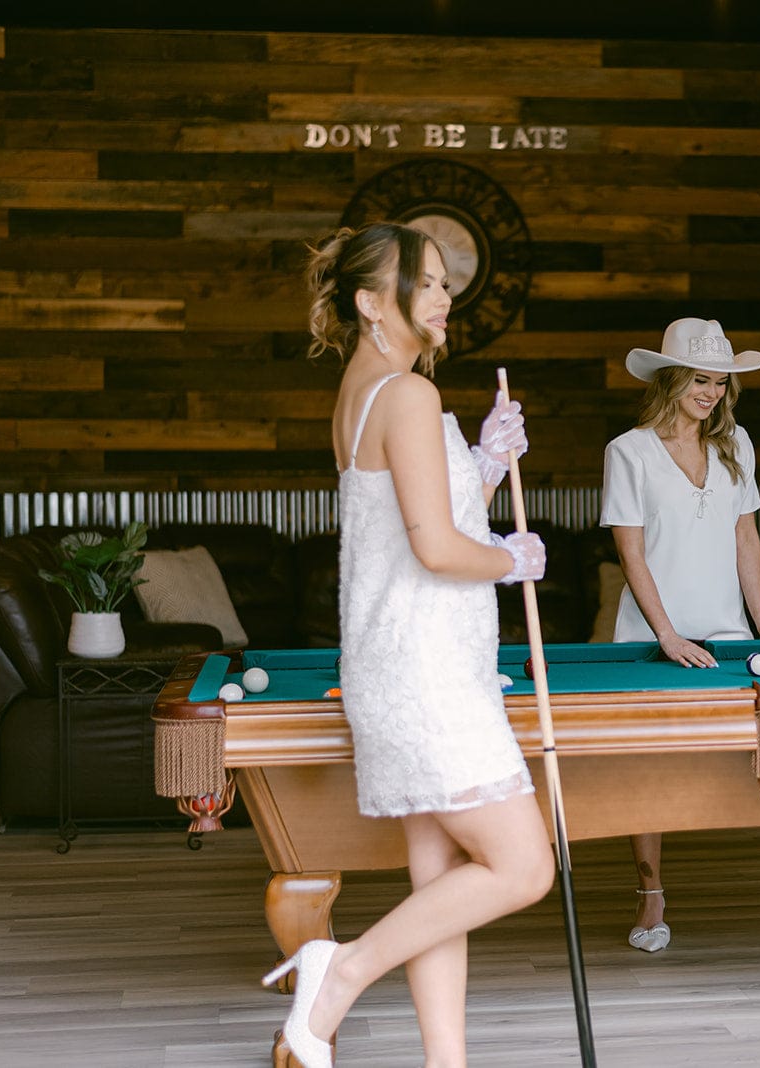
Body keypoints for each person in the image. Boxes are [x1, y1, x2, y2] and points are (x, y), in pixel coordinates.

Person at [263, 222, 555, 1068]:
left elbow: (413, 519)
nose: (443, 296)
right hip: (428, 677)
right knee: (522, 867)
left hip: (398, 668)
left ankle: (445, 1063)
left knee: (441, 889)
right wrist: (513, 558)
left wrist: (484, 463)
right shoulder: (410, 395)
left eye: (443, 284)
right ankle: (339, 969)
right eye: (424, 283)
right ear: (370, 301)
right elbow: (436, 549)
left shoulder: (368, 391)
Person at [600, 317, 760, 952]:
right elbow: (632, 554)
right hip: (651, 640)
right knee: (648, 773)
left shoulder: (737, 445)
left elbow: (744, 537)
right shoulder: (629, 451)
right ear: (672, 380)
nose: (712, 393)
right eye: (700, 380)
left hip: (728, 634)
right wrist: (666, 634)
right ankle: (651, 896)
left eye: (721, 383)